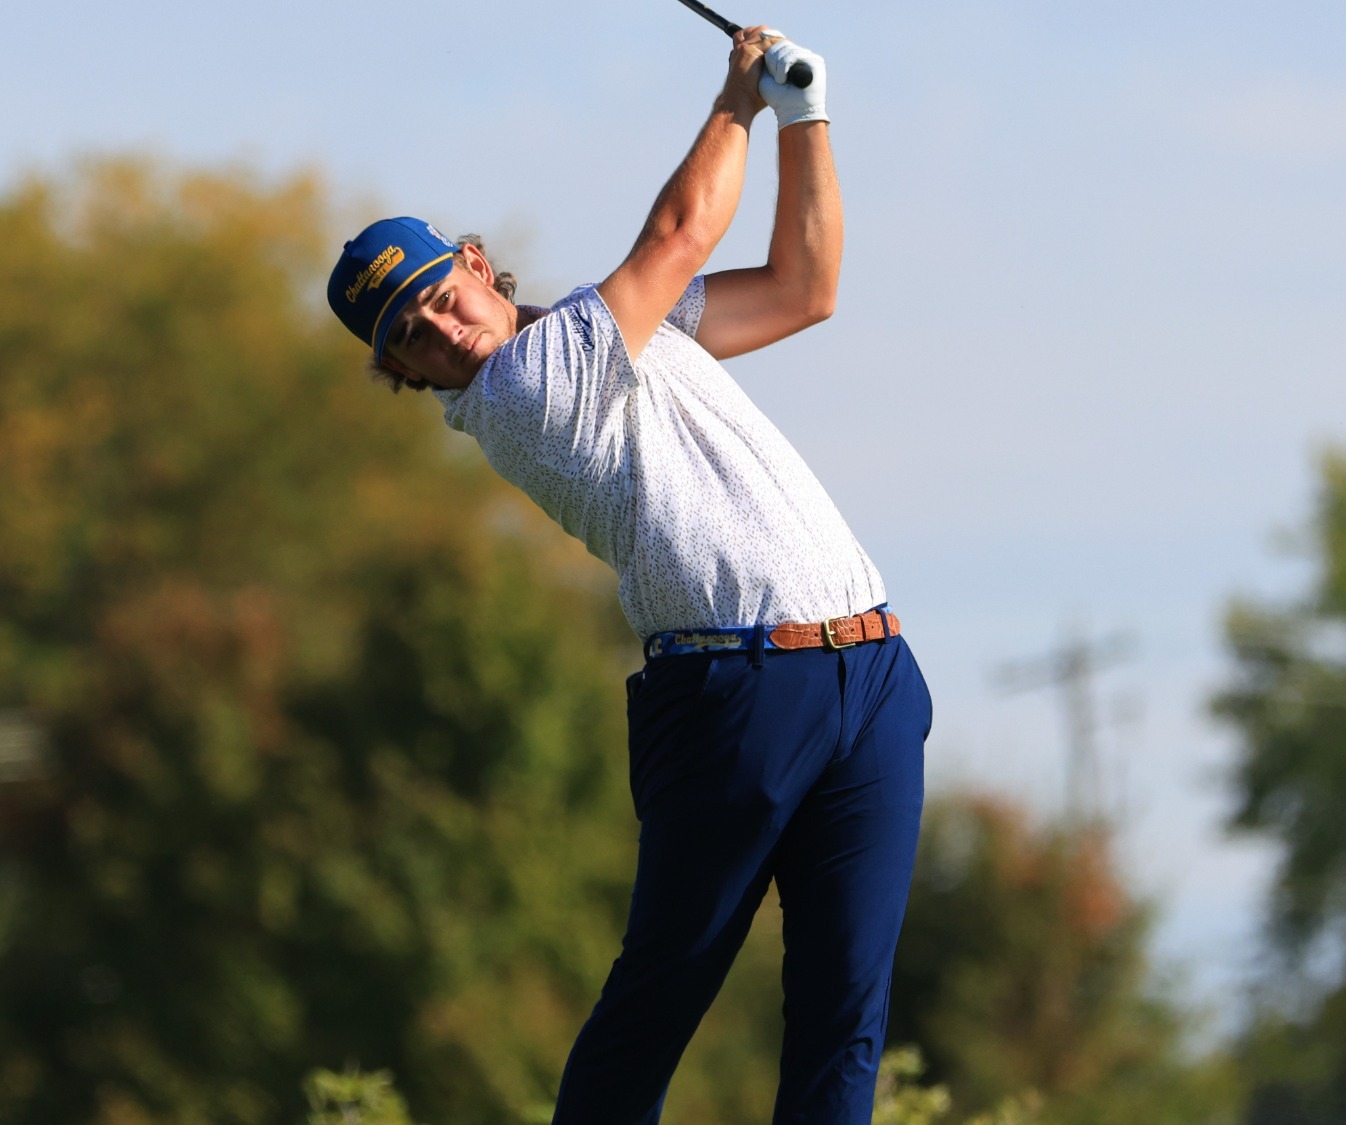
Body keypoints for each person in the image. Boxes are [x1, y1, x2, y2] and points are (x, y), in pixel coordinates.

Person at [325, 27, 931, 1125]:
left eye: (437, 298)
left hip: (871, 671)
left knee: (845, 1012)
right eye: (409, 338)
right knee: (658, 1000)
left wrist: (807, 117)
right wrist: (737, 98)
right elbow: (682, 229)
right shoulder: (523, 392)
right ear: (402, 371)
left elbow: (803, 288)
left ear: (472, 263)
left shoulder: (604, 332)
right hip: (729, 702)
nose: (441, 332)